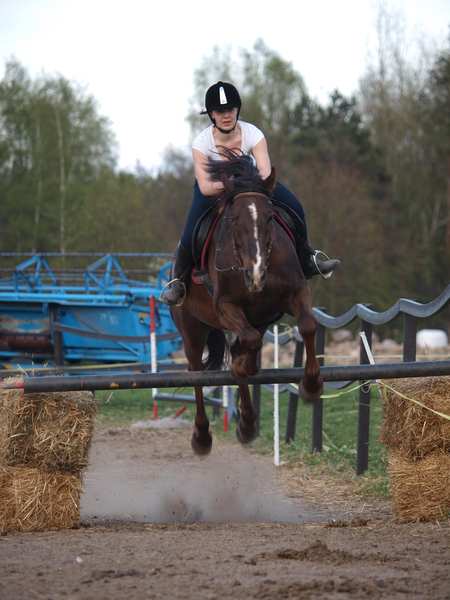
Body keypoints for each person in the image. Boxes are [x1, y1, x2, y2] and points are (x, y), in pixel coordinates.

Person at [160, 81, 340, 306]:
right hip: (214, 191)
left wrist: (247, 187)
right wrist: (232, 186)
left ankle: (307, 258)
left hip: (255, 186)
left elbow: (265, 174)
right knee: (190, 231)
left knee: (295, 206)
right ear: (211, 115)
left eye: (230, 110)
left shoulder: (253, 133)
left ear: (237, 110)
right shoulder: (201, 143)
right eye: (220, 111)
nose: (226, 115)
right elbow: (206, 186)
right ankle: (179, 281)